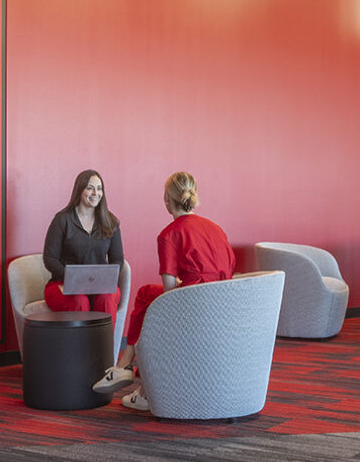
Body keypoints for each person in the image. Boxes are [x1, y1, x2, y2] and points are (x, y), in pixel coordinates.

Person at [92, 171, 235, 412]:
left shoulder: (169, 235)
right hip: (223, 304)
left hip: (194, 306)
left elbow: (170, 293)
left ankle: (127, 368)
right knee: (149, 295)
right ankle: (136, 380)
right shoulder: (216, 228)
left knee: (147, 295)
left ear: (167, 199)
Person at [41, 169, 124, 317]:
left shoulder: (111, 222)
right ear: (80, 190)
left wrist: (108, 277)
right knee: (79, 301)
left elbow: (117, 258)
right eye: (90, 188)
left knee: (106, 299)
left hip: (100, 286)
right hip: (64, 283)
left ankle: (104, 341)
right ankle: (79, 341)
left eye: (99, 189)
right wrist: (72, 278)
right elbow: (50, 259)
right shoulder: (62, 220)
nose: (95, 193)